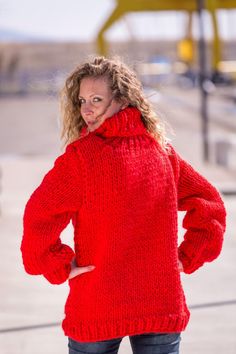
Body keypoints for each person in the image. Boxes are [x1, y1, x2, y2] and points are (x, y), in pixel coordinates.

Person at [20, 56, 226, 354]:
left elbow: (38, 215)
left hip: (97, 305)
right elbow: (210, 204)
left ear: (122, 99)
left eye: (96, 99)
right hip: (159, 302)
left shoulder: (81, 159)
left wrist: (57, 264)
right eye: (81, 100)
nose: (86, 109)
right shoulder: (162, 152)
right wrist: (187, 256)